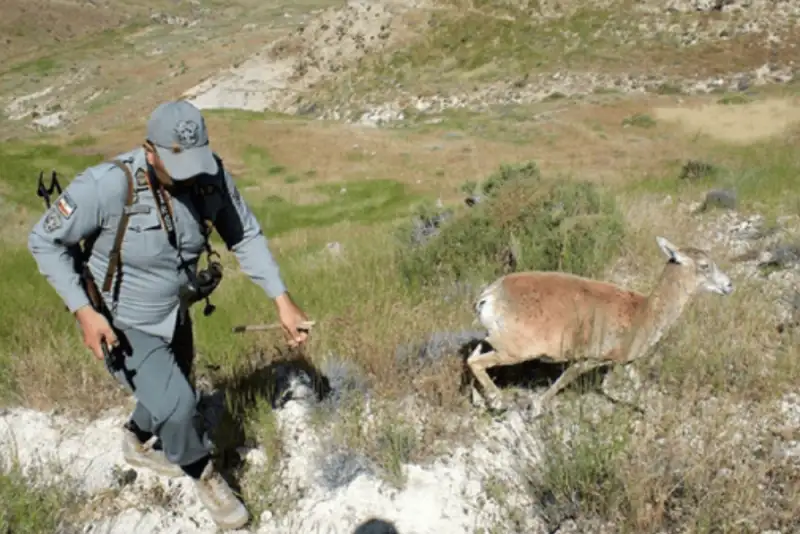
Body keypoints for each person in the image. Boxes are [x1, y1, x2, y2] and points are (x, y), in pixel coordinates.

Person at [28, 99, 311, 530]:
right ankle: (204, 474)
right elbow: (44, 242)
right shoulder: (107, 185)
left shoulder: (211, 178)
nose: (192, 175)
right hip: (123, 320)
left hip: (175, 311)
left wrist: (281, 299)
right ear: (150, 150)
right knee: (180, 405)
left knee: (174, 384)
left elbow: (245, 234)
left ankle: (136, 440)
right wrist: (84, 312)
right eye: (179, 164)